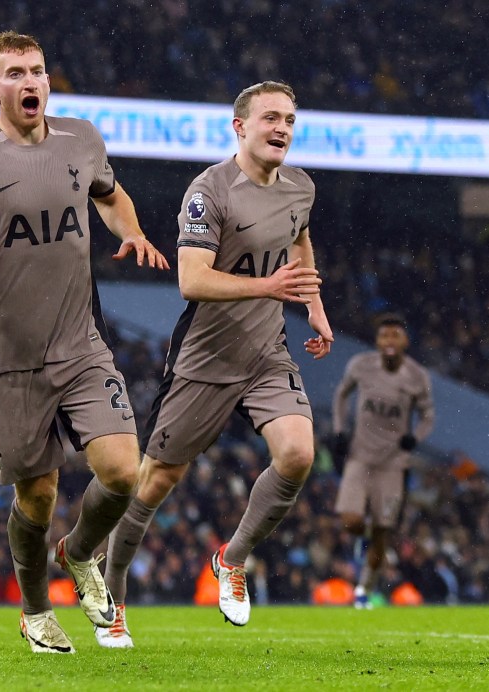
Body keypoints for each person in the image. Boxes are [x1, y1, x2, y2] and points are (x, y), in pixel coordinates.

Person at [0, 31, 169, 654]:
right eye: (16, 73)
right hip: (13, 355)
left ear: (50, 81)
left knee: (123, 472)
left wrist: (131, 231)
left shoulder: (82, 139)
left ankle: (79, 555)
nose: (30, 82)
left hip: (82, 344)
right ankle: (33, 610)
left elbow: (111, 195)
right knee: (39, 493)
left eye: (39, 71)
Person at [98, 81, 333, 648]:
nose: (282, 128)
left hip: (266, 353)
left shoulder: (300, 187)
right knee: (156, 482)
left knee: (299, 455)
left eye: (290, 120)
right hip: (205, 358)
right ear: (240, 126)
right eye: (271, 117)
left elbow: (300, 241)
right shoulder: (209, 191)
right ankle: (111, 600)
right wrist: (269, 285)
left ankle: (233, 559)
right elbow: (191, 280)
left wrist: (314, 306)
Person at [331, 313, 434, 608]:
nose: (389, 341)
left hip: (392, 465)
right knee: (350, 520)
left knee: (381, 532)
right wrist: (339, 430)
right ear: (377, 340)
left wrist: (415, 437)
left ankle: (365, 588)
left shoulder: (417, 376)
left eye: (395, 336)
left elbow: (428, 415)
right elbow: (340, 395)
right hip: (360, 457)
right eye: (384, 335)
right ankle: (366, 540)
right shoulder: (361, 365)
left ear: (405, 341)